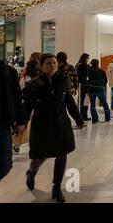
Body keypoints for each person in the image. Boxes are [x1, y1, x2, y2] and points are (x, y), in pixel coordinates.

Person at [22, 54, 84, 202]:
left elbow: (69, 101)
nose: (52, 66)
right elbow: (27, 107)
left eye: (54, 63)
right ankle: (31, 172)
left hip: (60, 123)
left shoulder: (62, 80)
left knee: (62, 154)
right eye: (48, 63)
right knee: (40, 156)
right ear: (41, 66)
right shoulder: (34, 85)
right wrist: (22, 122)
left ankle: (57, 187)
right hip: (42, 125)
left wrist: (78, 119)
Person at [0, 59, 25, 182]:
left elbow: (17, 97)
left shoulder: (9, 72)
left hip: (3, 125)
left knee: (5, 165)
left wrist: (20, 121)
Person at [14, 59, 40, 154]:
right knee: (31, 126)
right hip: (33, 105)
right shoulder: (36, 78)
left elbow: (20, 90)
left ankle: (17, 144)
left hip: (25, 105)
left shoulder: (24, 78)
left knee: (24, 126)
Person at [88, 59, 111, 123]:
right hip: (100, 89)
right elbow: (106, 80)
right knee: (105, 104)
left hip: (91, 89)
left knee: (92, 105)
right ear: (98, 63)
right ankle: (107, 117)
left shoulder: (89, 71)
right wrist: (102, 86)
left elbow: (87, 80)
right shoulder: (101, 71)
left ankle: (95, 119)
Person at [75, 53, 91, 121]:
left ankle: (84, 115)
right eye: (87, 58)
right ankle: (82, 116)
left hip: (86, 86)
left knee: (85, 101)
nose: (87, 59)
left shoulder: (86, 65)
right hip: (83, 86)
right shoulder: (80, 65)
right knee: (82, 101)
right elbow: (80, 76)